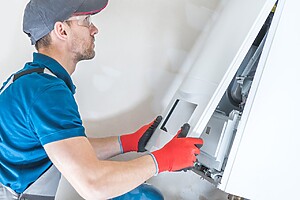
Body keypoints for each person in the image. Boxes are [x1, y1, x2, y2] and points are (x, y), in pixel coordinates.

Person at [0, 0, 204, 199]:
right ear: (62, 31)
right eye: (86, 21)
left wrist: (127, 142)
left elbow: (67, 149)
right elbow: (93, 185)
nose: (94, 29)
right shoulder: (47, 92)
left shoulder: (28, 81)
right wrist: (162, 160)